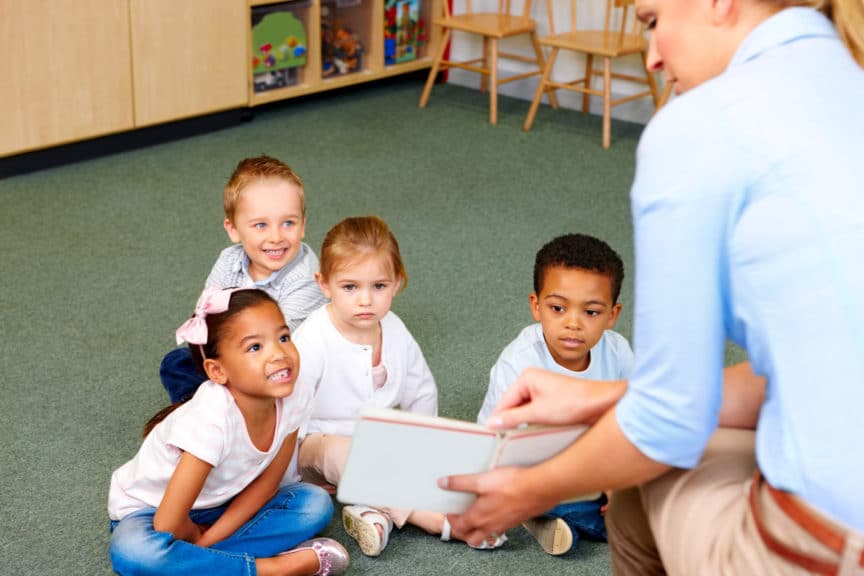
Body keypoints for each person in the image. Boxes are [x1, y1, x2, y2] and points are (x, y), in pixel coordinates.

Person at [440, 0, 864, 574]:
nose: (653, 55)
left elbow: (668, 425)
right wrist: (602, 396)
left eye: (651, 21)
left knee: (641, 470)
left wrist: (531, 489)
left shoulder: (700, 128)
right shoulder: (845, 78)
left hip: (834, 543)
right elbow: (797, 370)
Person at [293, 216, 504, 557]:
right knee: (341, 452)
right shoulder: (314, 338)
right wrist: (297, 474)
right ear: (324, 284)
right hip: (312, 448)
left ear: (397, 283)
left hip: (374, 439)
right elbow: (289, 411)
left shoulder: (394, 329)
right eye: (350, 287)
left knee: (457, 451)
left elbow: (420, 391)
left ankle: (374, 515)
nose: (365, 300)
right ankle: (432, 518)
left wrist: (422, 448)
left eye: (379, 286)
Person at [108, 287, 349, 575]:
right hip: (152, 513)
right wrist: (192, 535)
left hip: (224, 503)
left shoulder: (296, 394)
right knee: (133, 552)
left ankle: (199, 566)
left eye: (283, 337)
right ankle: (271, 569)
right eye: (255, 347)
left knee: (315, 504)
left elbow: (266, 485)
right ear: (217, 371)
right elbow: (167, 524)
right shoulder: (211, 418)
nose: (279, 353)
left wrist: (208, 540)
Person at [476, 233, 632, 556]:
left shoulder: (618, 353)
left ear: (612, 315)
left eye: (591, 313)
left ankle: (562, 521)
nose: (573, 323)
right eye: (558, 308)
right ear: (536, 306)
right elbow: (494, 449)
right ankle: (551, 515)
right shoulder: (518, 363)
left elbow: (636, 420)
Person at [160, 156, 328, 404]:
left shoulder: (306, 277)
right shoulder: (229, 261)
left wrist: (231, 358)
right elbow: (208, 315)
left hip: (281, 361)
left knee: (294, 382)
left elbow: (277, 341)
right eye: (260, 225)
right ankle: (200, 406)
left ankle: (225, 406)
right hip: (237, 353)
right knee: (176, 363)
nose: (276, 237)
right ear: (233, 230)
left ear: (303, 225)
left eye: (288, 223)